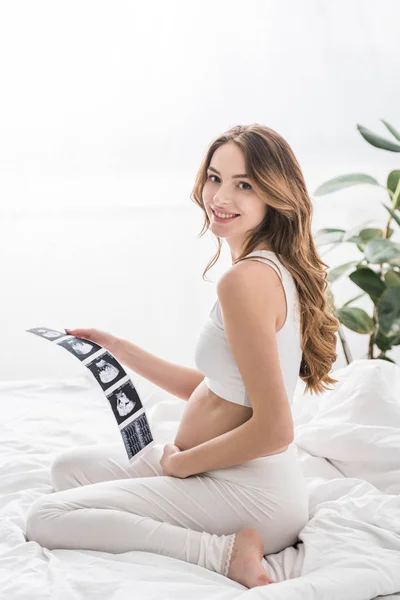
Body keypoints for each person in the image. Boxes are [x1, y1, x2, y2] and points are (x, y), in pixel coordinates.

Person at [25, 124, 339, 589]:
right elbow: (219, 389)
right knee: (66, 469)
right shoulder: (266, 268)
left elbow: (276, 429)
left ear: (275, 194)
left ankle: (224, 554)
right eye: (215, 177)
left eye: (244, 184)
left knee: (46, 516)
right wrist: (118, 348)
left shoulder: (246, 282)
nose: (220, 196)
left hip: (251, 492)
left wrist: (181, 465)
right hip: (233, 473)